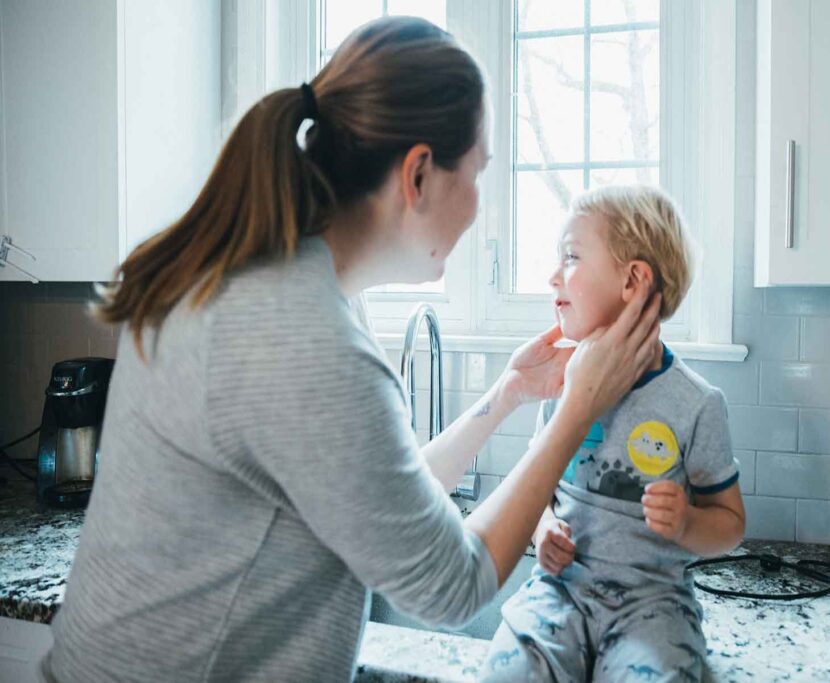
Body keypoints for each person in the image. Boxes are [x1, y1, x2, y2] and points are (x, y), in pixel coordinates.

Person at [41, 18, 662, 683]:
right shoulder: (307, 339)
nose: (481, 205)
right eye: (477, 172)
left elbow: (374, 499)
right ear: (418, 173)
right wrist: (576, 412)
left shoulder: (255, 280)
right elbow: (449, 584)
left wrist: (505, 396)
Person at [482, 185, 746, 682]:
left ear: (634, 280)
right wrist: (542, 531)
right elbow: (540, 493)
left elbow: (731, 523)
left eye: (572, 256)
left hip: (653, 607)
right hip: (557, 592)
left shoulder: (696, 403)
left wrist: (688, 521)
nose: (552, 275)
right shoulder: (564, 383)